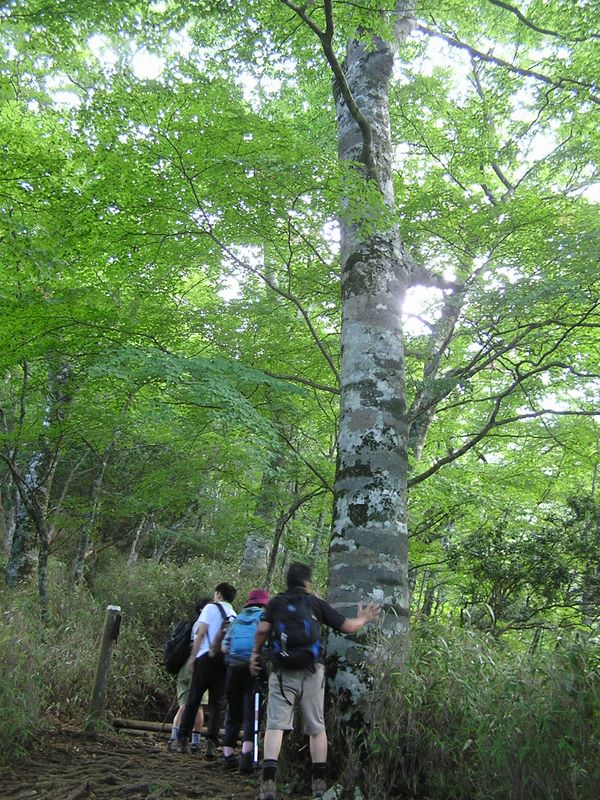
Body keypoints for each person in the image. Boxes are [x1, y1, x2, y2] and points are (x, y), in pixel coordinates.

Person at [250, 562, 380, 800]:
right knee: (316, 727)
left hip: (281, 671)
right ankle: (318, 784)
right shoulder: (314, 603)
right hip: (312, 670)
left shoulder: (275, 603)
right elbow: (348, 627)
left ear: (288, 581)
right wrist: (364, 618)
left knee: (276, 725)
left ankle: (268, 782)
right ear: (307, 582)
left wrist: (255, 654)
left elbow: (261, 630)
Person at [175, 582, 237, 758]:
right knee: (217, 704)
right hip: (224, 662)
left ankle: (182, 740)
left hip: (205, 659)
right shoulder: (234, 614)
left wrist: (193, 657)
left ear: (218, 594)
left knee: (194, 699)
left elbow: (201, 633)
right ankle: (211, 743)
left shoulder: (210, 608)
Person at [221, 588, 270, 772]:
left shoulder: (238, 619)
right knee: (252, 713)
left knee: (233, 713)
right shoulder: (264, 617)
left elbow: (224, 647)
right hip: (254, 668)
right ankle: (246, 756)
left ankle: (227, 756)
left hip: (233, 669)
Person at [167, 597, 211, 753]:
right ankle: (195, 742)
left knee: (184, 705)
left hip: (184, 667)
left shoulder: (192, 625)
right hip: (198, 666)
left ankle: (174, 737)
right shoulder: (206, 624)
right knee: (198, 706)